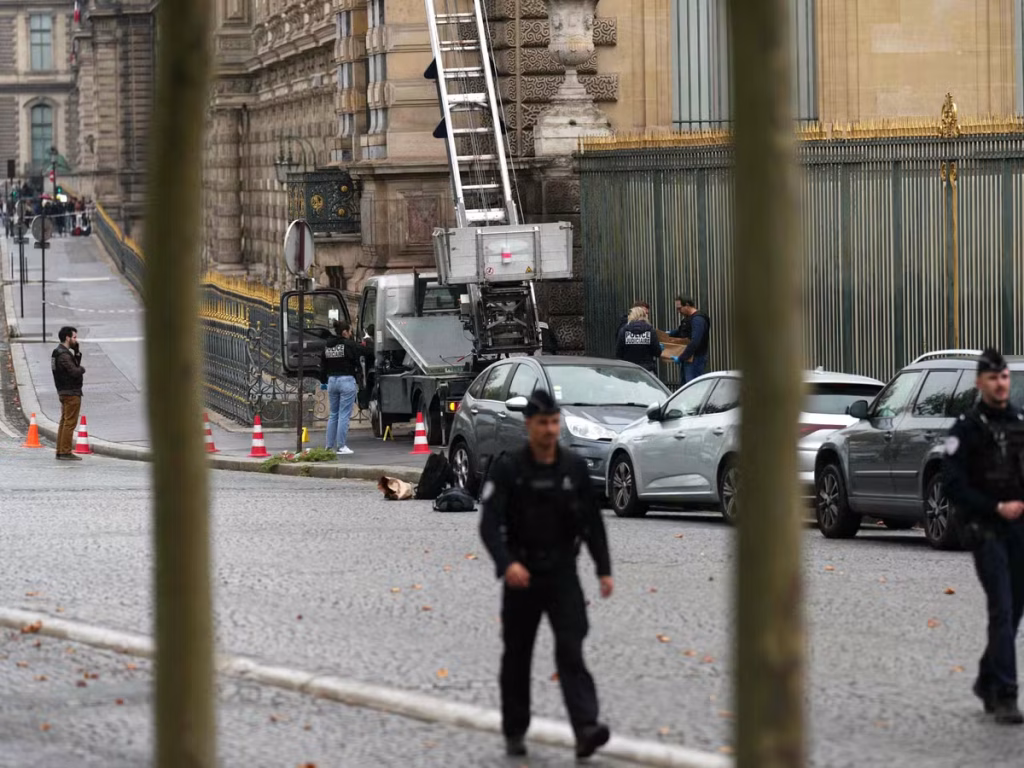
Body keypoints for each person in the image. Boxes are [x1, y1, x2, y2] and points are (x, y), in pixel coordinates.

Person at [480, 390, 613, 759]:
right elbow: (489, 524)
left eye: (555, 422)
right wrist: (507, 564)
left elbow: (592, 522)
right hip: (522, 574)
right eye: (543, 423)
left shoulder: (572, 467)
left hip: (562, 573)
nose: (550, 430)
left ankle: (586, 727)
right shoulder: (509, 467)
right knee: (517, 655)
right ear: (529, 425)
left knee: (571, 649)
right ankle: (515, 730)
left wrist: (604, 569)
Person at [944, 348, 1024, 724]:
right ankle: (1006, 693)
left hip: (1018, 529)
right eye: (993, 377)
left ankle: (986, 678)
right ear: (980, 383)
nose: (1000, 383)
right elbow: (953, 485)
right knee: (1002, 608)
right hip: (984, 528)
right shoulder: (965, 429)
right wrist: (994, 508)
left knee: (1015, 610)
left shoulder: (1019, 423)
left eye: (1004, 376)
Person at [320, 320, 373, 455]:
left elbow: (322, 364)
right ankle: (341, 446)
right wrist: (368, 341)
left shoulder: (328, 346)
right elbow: (366, 351)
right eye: (350, 331)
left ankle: (328, 446)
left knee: (334, 414)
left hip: (332, 381)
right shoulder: (347, 344)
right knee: (344, 414)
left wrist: (324, 379)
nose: (351, 334)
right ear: (344, 332)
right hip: (346, 380)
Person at [51, 326, 85, 461]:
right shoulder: (63, 355)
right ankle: (65, 451)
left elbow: (72, 367)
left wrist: (76, 353)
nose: (76, 340)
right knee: (69, 423)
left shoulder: (58, 352)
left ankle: (60, 450)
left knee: (64, 421)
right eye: (74, 337)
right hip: (71, 392)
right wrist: (82, 369)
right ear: (67, 338)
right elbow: (74, 371)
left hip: (64, 391)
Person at [670, 297, 711, 382]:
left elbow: (695, 341)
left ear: (687, 305)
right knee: (686, 386)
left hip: (695, 359)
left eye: (679, 308)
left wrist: (682, 357)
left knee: (692, 386)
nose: (679, 311)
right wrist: (669, 334)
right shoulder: (689, 319)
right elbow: (683, 331)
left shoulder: (698, 319)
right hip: (688, 358)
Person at [615, 305, 662, 373]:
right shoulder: (650, 330)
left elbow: (618, 353)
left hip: (628, 368)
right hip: (647, 370)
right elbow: (657, 352)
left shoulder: (624, 331)